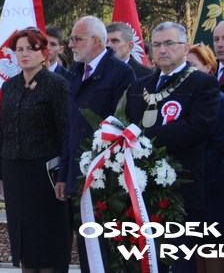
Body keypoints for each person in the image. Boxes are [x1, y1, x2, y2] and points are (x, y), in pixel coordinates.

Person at [124, 23, 217, 273]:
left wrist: (145, 140)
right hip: (142, 190)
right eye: (157, 44)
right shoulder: (139, 87)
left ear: (186, 48)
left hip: (181, 188)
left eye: (169, 43)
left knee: (179, 261)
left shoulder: (202, 83)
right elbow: (129, 124)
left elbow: (199, 126)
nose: (162, 49)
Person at [56, 16, 134, 273]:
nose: (71, 45)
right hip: (79, 176)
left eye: (77, 39)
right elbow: (70, 129)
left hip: (106, 178)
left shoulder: (120, 73)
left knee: (109, 251)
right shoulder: (77, 73)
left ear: (97, 41)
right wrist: (64, 174)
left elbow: (122, 126)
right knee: (87, 249)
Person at [0, 27, 70, 273]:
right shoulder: (10, 86)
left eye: (31, 48)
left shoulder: (57, 84)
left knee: (46, 241)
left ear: (43, 52)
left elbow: (65, 132)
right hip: (14, 172)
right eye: (19, 49)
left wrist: (65, 174)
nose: (24, 53)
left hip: (45, 174)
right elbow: (2, 132)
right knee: (24, 240)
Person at [186, 45, 224, 273]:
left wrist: (195, 168)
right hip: (188, 182)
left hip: (211, 181)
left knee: (212, 244)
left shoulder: (221, 100)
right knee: (193, 246)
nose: (188, 71)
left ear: (209, 67)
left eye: (193, 66)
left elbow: (220, 144)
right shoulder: (184, 100)